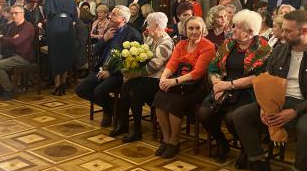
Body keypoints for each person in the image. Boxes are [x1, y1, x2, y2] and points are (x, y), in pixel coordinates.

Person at [232, 10, 307, 171]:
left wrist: (293, 112)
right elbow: (267, 81)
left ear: (304, 30)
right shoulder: (280, 49)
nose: (283, 34)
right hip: (278, 98)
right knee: (241, 115)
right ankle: (260, 167)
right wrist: (264, 105)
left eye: (288, 31)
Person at [199, 10, 271, 163]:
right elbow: (213, 67)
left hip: (248, 92)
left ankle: (247, 147)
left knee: (232, 118)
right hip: (223, 88)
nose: (233, 30)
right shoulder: (228, 43)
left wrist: (227, 85)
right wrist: (217, 85)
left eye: (238, 27)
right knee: (204, 113)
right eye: (235, 26)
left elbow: (258, 77)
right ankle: (221, 142)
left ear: (250, 32)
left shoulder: (263, 48)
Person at [152, 16, 216, 159]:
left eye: (197, 28)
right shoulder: (181, 44)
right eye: (190, 28)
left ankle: (174, 141)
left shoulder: (207, 46)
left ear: (203, 29)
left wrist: (174, 82)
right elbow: (172, 64)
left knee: (175, 102)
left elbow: (198, 72)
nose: (194, 31)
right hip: (180, 83)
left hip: (198, 86)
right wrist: (163, 78)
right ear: (185, 30)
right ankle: (166, 138)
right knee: (159, 97)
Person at [75, 5, 142, 129]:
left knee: (99, 90)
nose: (110, 16)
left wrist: (110, 73)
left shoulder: (133, 34)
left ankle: (109, 111)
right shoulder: (110, 30)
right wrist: (104, 39)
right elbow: (95, 51)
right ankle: (115, 108)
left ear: (123, 19)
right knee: (80, 89)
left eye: (114, 15)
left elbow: (132, 61)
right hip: (101, 69)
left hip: (118, 74)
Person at [114, 12, 174, 142]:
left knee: (134, 92)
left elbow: (154, 66)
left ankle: (137, 130)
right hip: (147, 77)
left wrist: (133, 74)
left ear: (157, 26)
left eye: (149, 25)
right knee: (125, 89)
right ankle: (123, 123)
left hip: (158, 79)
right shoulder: (151, 39)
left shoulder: (166, 42)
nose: (146, 28)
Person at [0, 6, 35, 101]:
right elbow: (7, 40)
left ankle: (9, 90)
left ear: (22, 14)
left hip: (23, 57)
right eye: (12, 13)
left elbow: (15, 41)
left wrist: (5, 38)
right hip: (10, 54)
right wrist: (9, 39)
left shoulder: (28, 26)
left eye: (16, 13)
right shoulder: (13, 26)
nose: (13, 15)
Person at [44, 0, 78, 95]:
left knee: (55, 54)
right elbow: (75, 16)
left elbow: (47, 12)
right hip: (68, 25)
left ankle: (57, 85)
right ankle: (63, 82)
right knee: (66, 54)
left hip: (54, 25)